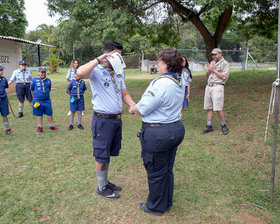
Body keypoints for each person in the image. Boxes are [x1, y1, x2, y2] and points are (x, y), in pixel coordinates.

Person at [129, 48, 186, 216]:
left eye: (159, 61)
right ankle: (166, 201)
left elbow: (143, 108)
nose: (158, 64)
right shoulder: (179, 79)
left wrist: (133, 108)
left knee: (155, 170)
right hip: (174, 129)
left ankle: (155, 206)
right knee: (166, 168)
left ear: (166, 64)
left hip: (159, 134)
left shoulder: (161, 83)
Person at [76, 41, 136, 199]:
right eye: (116, 56)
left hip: (116, 120)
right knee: (101, 154)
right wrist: (99, 59)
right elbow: (79, 73)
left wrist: (133, 105)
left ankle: (105, 182)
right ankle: (101, 188)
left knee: (108, 153)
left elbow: (124, 93)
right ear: (107, 54)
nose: (120, 60)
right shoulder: (95, 70)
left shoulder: (118, 71)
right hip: (102, 120)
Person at [201, 48, 229, 135]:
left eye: (215, 54)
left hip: (218, 87)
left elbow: (224, 77)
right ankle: (209, 126)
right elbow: (207, 75)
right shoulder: (212, 63)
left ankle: (223, 126)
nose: (213, 56)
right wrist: (209, 70)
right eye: (212, 55)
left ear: (220, 54)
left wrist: (214, 70)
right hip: (209, 86)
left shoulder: (225, 64)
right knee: (209, 107)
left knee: (218, 108)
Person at [30, 66, 59, 134]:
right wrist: (34, 98)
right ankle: (40, 127)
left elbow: (49, 89)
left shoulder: (48, 80)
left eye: (44, 72)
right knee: (39, 114)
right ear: (38, 72)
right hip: (38, 100)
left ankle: (51, 126)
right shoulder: (34, 80)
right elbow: (32, 90)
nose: (43, 73)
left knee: (49, 113)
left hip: (47, 100)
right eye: (41, 72)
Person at [0, 64, 13, 135]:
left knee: (4, 115)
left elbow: (4, 88)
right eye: (0, 70)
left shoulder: (4, 79)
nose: (1, 72)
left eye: (2, 70)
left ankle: (7, 129)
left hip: (3, 100)